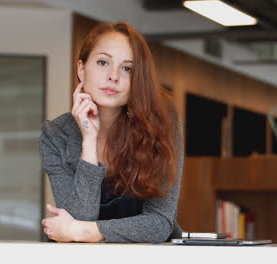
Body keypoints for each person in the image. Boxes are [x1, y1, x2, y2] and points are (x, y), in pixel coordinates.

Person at [38, 21, 183, 243]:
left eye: (127, 68)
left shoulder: (162, 123)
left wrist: (83, 231)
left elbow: (160, 222)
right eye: (103, 62)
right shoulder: (56, 134)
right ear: (81, 69)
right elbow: (77, 218)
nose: (113, 76)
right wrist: (89, 140)